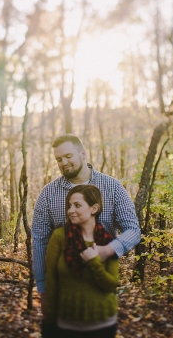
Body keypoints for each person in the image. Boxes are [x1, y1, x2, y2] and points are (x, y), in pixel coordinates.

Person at [32, 134, 140, 334]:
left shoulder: (113, 187)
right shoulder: (48, 194)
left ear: (83, 153)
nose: (63, 163)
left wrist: (108, 250)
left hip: (100, 290)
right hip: (63, 296)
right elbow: (39, 242)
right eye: (58, 159)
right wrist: (43, 288)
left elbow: (133, 230)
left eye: (68, 156)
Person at [43, 184, 119, 337]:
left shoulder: (107, 242)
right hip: (66, 324)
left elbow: (111, 285)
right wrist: (49, 320)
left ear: (94, 208)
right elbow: (50, 279)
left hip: (103, 324)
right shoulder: (60, 236)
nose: (70, 210)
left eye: (77, 205)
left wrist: (94, 263)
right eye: (69, 205)